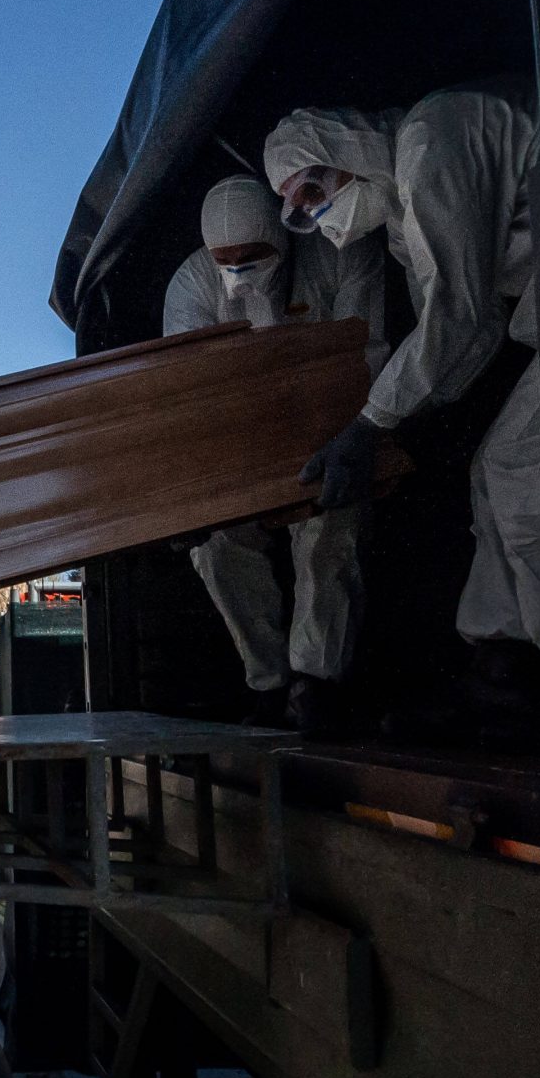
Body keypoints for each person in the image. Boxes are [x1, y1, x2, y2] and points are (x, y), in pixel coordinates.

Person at [267, 78, 540, 739]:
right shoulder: (401, 213)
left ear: (344, 147)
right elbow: (473, 331)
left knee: (514, 470)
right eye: (298, 208)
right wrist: (405, 423)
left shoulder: (431, 139)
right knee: (495, 472)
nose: (316, 214)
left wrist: (375, 424)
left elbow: (456, 314)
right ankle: (503, 669)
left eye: (314, 189)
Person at [162, 175, 387, 734]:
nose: (237, 270)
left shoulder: (339, 253)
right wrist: (191, 487)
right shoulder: (193, 282)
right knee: (216, 550)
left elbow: (368, 352)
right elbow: (190, 392)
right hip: (234, 448)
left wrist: (344, 433)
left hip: (331, 430)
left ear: (282, 239)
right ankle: (268, 683)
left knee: (328, 534)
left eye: (252, 257)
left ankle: (317, 684)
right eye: (226, 260)